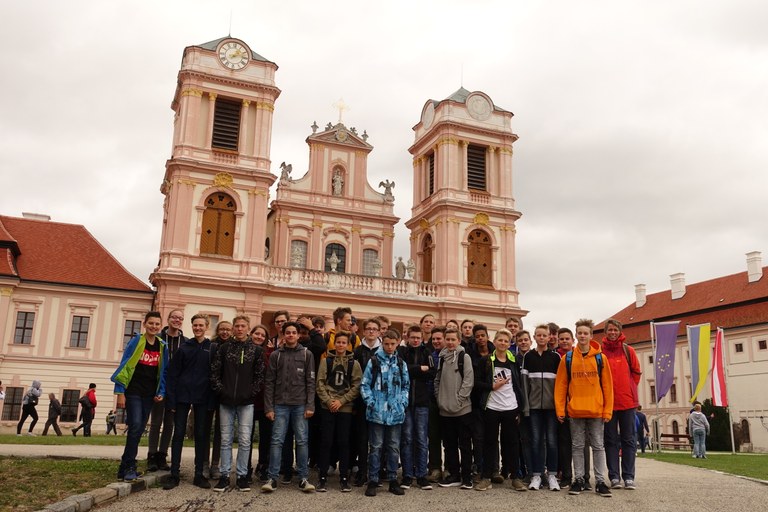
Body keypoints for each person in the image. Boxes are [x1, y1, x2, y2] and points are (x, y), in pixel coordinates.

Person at [554, 319, 614, 498]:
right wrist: (560, 409)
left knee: (598, 446)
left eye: (585, 333)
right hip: (576, 410)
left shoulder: (600, 358)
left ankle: (601, 481)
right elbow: (561, 385)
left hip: (596, 409)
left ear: (591, 335)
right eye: (579, 333)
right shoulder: (568, 358)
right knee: (577, 446)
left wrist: (608, 410)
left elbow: (608, 386)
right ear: (576, 335)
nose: (582, 336)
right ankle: (578, 479)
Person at [112, 311, 169, 482]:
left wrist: (161, 391)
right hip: (134, 391)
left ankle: (124, 467)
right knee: (136, 425)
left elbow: (163, 371)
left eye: (157, 324)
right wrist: (120, 392)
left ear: (160, 326)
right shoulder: (137, 341)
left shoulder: (161, 345)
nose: (154, 326)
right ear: (145, 324)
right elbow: (125, 365)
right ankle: (130, 466)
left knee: (138, 430)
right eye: (150, 323)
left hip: (149, 394)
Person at [211, 315, 265, 492]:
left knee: (244, 440)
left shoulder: (256, 351)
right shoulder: (224, 349)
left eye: (243, 326)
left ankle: (242, 476)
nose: (240, 329)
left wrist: (249, 393)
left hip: (246, 403)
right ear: (234, 328)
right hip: (226, 401)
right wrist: (222, 391)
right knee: (226, 440)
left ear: (248, 328)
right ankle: (225, 476)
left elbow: (259, 377)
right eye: (237, 326)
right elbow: (215, 373)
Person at [262, 321, 316, 494]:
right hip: (280, 405)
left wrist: (310, 405)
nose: (291, 335)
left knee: (302, 441)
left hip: (300, 405)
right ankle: (272, 478)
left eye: (294, 332)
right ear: (283, 335)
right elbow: (269, 383)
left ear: (299, 335)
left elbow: (311, 382)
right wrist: (269, 407)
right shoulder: (276, 355)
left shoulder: (307, 354)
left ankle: (303, 478)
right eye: (288, 332)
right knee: (277, 441)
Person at [164, 313, 215, 490]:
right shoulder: (184, 348)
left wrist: (211, 401)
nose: (198, 328)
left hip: (203, 398)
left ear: (207, 327)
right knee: (178, 434)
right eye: (195, 325)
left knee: (201, 435)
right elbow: (172, 375)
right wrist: (171, 400)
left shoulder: (212, 348)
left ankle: (199, 474)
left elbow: (214, 377)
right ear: (192, 327)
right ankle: (174, 474)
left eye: (201, 325)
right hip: (181, 397)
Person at [474, 329, 527, 492]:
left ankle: (515, 477)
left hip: (510, 407)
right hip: (491, 407)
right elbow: (476, 383)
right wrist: (492, 386)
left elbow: (518, 385)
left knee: (511, 443)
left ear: (510, 343)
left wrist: (520, 407)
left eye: (506, 341)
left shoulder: (515, 360)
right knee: (489, 442)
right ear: (495, 341)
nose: (503, 343)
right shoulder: (486, 361)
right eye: (500, 340)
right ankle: (486, 477)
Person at [360, 329, 410, 497]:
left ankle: (393, 479)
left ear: (397, 343)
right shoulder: (373, 361)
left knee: (393, 447)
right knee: (375, 447)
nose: (389, 347)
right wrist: (371, 402)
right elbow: (365, 384)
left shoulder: (401, 363)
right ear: (383, 343)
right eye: (386, 344)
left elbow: (405, 386)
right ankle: (373, 479)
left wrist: (402, 403)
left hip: (395, 413)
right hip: (377, 413)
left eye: (392, 344)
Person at [315, 331, 362, 492]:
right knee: (326, 441)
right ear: (334, 344)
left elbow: (357, 385)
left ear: (348, 344)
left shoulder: (353, 363)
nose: (341, 345)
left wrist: (341, 401)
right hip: (327, 407)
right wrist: (329, 401)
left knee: (344, 442)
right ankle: (322, 477)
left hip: (345, 408)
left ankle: (344, 476)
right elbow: (320, 383)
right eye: (338, 342)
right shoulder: (325, 361)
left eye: (344, 343)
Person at [601, 318, 641, 490]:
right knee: (610, 440)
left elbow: (637, 372)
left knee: (628, 440)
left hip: (627, 402)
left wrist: (629, 388)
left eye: (615, 330)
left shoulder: (628, 350)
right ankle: (614, 477)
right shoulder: (600, 351)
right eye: (609, 330)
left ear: (620, 331)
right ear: (605, 332)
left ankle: (629, 476)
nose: (612, 332)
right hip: (608, 403)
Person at [521, 325, 561, 491]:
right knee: (536, 441)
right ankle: (536, 475)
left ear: (549, 337)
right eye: (538, 335)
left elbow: (561, 384)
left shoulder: (555, 357)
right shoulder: (528, 357)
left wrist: (560, 407)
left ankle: (552, 476)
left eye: (545, 335)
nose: (542, 338)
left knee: (552, 442)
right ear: (535, 338)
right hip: (535, 406)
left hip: (552, 407)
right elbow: (524, 384)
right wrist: (526, 406)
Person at [435, 328, 475, 490]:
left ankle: (467, 477)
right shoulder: (442, 358)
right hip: (445, 409)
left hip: (462, 409)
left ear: (459, 341)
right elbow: (437, 380)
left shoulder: (464, 357)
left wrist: (459, 399)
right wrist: (440, 398)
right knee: (449, 445)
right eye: (448, 339)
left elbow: (468, 380)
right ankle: (454, 475)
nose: (450, 342)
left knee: (465, 445)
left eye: (453, 339)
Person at [147, 309, 186, 472]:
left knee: (169, 423)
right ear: (168, 319)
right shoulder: (157, 338)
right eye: (174, 317)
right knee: (156, 422)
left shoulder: (185, 342)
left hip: (175, 388)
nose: (177, 320)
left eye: (180, 318)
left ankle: (162, 455)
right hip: (158, 384)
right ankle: (152, 455)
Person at [398, 325, 435, 490]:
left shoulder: (427, 353)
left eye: (418, 338)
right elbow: (401, 370)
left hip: (422, 402)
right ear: (407, 337)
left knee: (421, 439)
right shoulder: (401, 352)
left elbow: (432, 372)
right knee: (406, 439)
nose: (415, 340)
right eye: (412, 337)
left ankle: (421, 475)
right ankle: (407, 475)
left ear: (422, 338)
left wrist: (414, 371)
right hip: (405, 403)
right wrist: (420, 368)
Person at [351, 317, 382, 486]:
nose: (371, 331)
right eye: (368, 328)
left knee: (378, 439)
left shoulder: (385, 350)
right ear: (364, 331)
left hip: (380, 401)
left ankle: (377, 471)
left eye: (374, 328)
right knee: (362, 439)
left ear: (379, 332)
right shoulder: (357, 351)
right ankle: (362, 472)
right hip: (361, 401)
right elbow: (354, 378)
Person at [204, 320, 232, 480]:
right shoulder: (210, 345)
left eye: (228, 330)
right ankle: (203, 464)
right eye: (222, 329)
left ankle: (216, 464)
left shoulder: (234, 347)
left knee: (220, 432)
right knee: (205, 429)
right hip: (209, 392)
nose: (225, 332)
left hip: (225, 393)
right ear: (217, 330)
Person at [426, 326, 446, 482]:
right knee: (433, 437)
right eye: (434, 339)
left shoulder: (453, 355)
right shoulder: (429, 356)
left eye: (439, 338)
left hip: (448, 401)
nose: (436, 341)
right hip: (432, 401)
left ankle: (451, 468)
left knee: (450, 437)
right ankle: (435, 468)